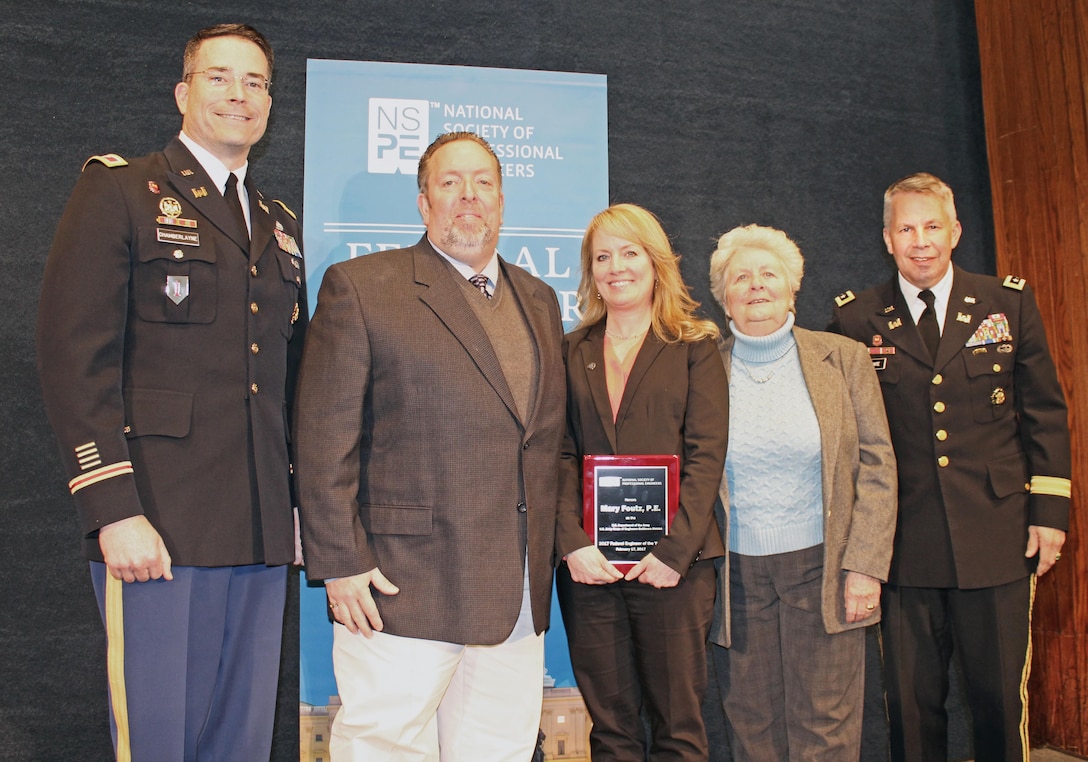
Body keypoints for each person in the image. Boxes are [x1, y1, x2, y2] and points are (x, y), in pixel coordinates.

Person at [35, 23, 305, 761]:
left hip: (256, 531)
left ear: (270, 105)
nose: (238, 95)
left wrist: (299, 509)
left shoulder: (278, 225)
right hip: (158, 524)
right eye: (219, 77)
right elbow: (73, 357)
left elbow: (286, 382)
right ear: (184, 92)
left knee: (240, 743)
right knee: (157, 740)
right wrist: (112, 508)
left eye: (254, 83)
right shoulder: (120, 191)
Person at [293, 131, 566, 761]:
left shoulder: (540, 299)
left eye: (483, 184)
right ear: (423, 203)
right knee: (385, 749)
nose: (468, 197)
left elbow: (544, 445)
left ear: (502, 201)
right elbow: (323, 439)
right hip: (399, 586)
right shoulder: (362, 287)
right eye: (450, 183)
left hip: (515, 598)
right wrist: (338, 562)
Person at [829, 172, 1071, 761]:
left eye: (932, 225)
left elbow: (1043, 413)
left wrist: (1050, 514)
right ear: (886, 238)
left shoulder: (1006, 303)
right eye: (906, 228)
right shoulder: (856, 320)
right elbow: (849, 441)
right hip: (904, 542)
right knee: (911, 706)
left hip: (996, 534)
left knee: (997, 698)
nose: (921, 240)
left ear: (956, 231)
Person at [707, 224, 897, 760]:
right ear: (724, 298)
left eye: (769, 274)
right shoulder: (701, 370)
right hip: (737, 577)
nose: (756, 286)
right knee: (750, 725)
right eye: (740, 277)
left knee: (826, 727)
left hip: (827, 566)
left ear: (793, 288)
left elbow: (878, 465)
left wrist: (865, 566)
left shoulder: (844, 358)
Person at [554, 203, 729, 760]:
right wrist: (573, 544)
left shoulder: (694, 345)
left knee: (678, 729)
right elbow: (555, 456)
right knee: (611, 732)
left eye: (629, 253)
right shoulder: (569, 351)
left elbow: (707, 456)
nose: (616, 267)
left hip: (675, 568)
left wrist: (674, 552)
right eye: (602, 256)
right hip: (591, 568)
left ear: (655, 264)